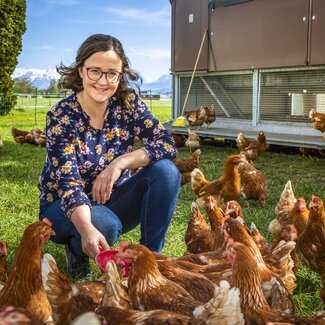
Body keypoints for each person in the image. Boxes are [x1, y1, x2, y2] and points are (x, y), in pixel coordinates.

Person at [38, 34, 181, 280]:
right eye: (95, 71)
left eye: (112, 73)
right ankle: (77, 248)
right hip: (62, 206)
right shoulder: (62, 115)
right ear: (81, 71)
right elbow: (70, 186)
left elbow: (166, 143)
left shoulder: (128, 105)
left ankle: (148, 261)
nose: (103, 81)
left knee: (167, 171)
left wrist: (120, 163)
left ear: (121, 75)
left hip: (110, 198)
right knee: (104, 225)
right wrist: (87, 229)